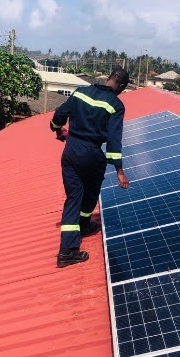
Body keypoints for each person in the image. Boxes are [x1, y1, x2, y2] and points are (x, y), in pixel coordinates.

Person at [50, 67, 130, 268]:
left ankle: (71, 244)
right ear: (120, 86)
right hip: (91, 153)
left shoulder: (81, 92)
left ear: (109, 78)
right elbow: (113, 139)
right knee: (91, 192)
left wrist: (57, 128)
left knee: (73, 197)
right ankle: (69, 249)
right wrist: (119, 171)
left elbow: (59, 115)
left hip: (70, 151)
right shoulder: (115, 105)